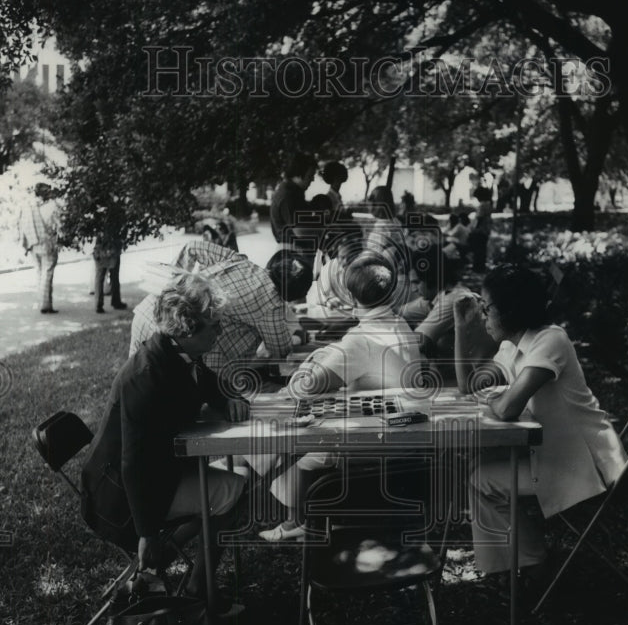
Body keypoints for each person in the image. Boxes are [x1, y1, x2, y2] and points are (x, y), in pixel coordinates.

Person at [80, 272, 249, 601]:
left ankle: (175, 559)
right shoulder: (145, 378)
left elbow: (202, 378)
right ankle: (198, 590)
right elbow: (133, 464)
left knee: (232, 486)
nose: (220, 331)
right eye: (214, 325)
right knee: (236, 491)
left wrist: (226, 400)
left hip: (153, 475)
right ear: (187, 328)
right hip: (122, 498)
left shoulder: (170, 352)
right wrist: (147, 534)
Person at [454, 264, 627, 576]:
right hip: (560, 454)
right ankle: (523, 562)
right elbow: (468, 387)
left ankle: (529, 566)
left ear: (510, 309)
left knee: (481, 480)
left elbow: (507, 408)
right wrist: (460, 328)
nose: (482, 315)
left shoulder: (550, 341)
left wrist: (495, 399)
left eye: (486, 307)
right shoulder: (514, 345)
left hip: (587, 465)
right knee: (481, 462)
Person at [256, 254, 426, 541]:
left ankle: (297, 518)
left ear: (349, 295)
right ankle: (297, 515)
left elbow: (308, 386)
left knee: (300, 442)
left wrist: (310, 364)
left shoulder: (361, 339)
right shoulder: (399, 325)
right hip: (409, 430)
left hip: (383, 439)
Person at [130, 241, 313, 374]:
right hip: (181, 338)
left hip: (149, 311)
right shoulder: (272, 306)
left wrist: (175, 285)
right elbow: (280, 348)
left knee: (132, 379)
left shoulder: (240, 261)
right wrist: (296, 337)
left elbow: (193, 247)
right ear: (295, 293)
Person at [18, 182, 62, 314]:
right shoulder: (51, 207)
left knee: (39, 273)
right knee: (47, 275)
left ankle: (43, 302)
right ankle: (46, 305)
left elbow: (22, 225)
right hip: (47, 244)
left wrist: (26, 244)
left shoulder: (27, 206)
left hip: (33, 244)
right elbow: (58, 226)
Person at [270, 153, 317, 250]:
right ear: (299, 174)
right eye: (310, 175)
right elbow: (300, 231)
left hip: (293, 250)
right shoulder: (289, 195)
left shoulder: (292, 191)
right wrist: (324, 230)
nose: (312, 180)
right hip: (293, 252)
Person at [92, 218, 128, 314]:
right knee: (114, 277)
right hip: (112, 250)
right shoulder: (117, 216)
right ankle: (115, 302)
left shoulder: (98, 215)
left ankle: (98, 305)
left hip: (101, 250)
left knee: (100, 279)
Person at [468, 186, 494, 272]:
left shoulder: (482, 205)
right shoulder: (489, 204)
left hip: (480, 230)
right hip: (486, 230)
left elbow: (479, 218)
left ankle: (477, 267)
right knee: (482, 249)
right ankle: (481, 266)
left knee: (478, 249)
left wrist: (473, 228)